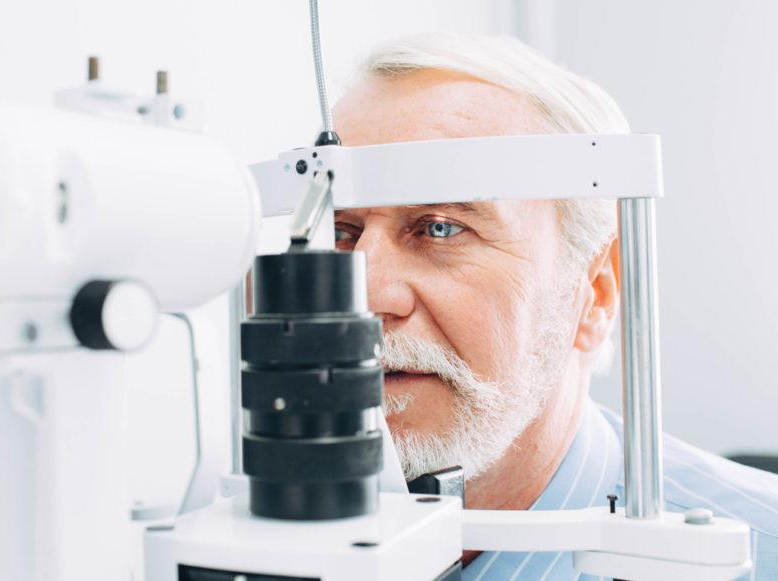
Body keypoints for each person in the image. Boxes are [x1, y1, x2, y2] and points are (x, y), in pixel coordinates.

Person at [330, 31, 778, 579]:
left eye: (440, 228)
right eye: (342, 233)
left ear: (596, 293)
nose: (363, 294)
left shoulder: (760, 552)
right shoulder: (245, 541)